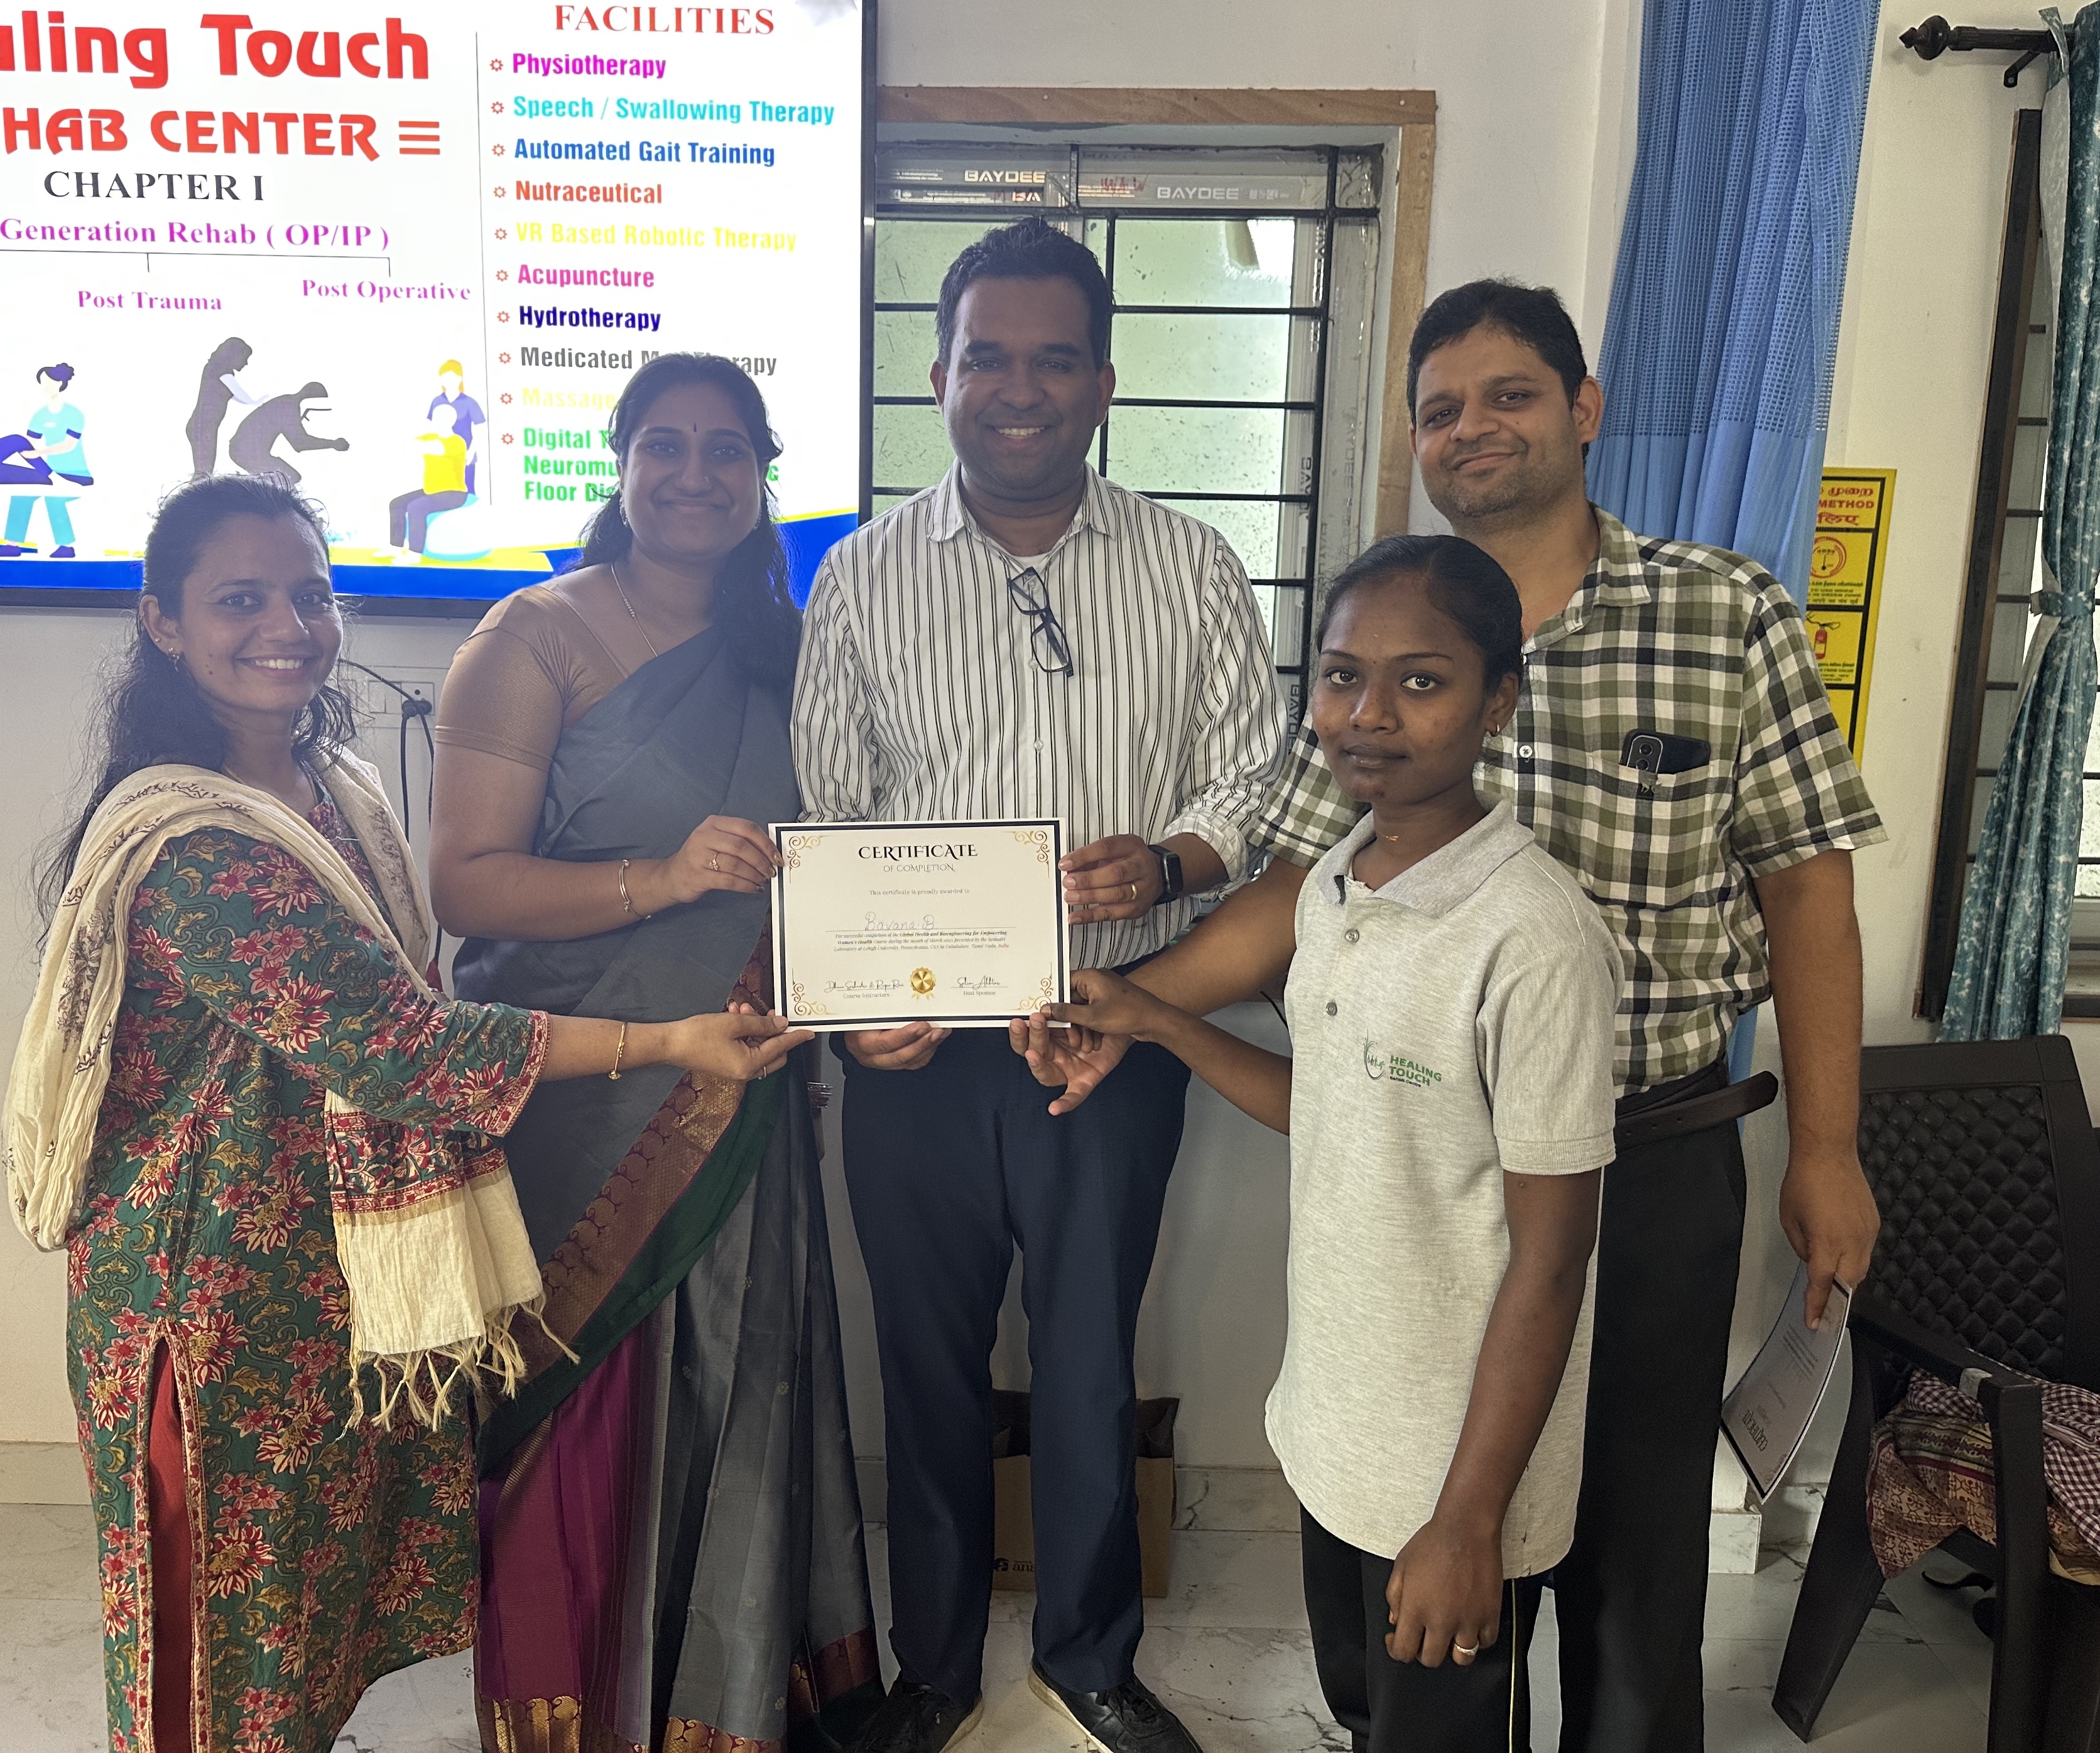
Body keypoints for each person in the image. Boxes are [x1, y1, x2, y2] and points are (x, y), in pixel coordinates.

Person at [1021, 279, 1886, 1753]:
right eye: (1439, 409)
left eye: (1509, 396)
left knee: (1627, 1543)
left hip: (1644, 1152)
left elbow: (1807, 894)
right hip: (1417, 1155)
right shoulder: (1378, 636)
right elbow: (1294, 884)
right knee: (1418, 1524)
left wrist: (1830, 1148)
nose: (1471, 429)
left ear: (1582, 411)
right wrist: (1134, 1004)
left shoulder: (1719, 612)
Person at [6, 472, 807, 1753]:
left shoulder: (330, 787)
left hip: (328, 1286)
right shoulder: (194, 842)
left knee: (307, 1627)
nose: (289, 625)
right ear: (161, 622)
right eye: (240, 600)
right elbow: (402, 1048)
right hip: (211, 1306)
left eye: (311, 595)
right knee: (218, 1649)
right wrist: (665, 1041)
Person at [794, 216, 1284, 1753]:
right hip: (919, 1055)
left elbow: (1257, 775)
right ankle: (934, 1667)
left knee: (1086, 1353)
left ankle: (1087, 1655)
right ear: (937, 374)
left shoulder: (1192, 565)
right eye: (989, 357)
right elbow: (829, 805)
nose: (1021, 387)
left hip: (1116, 1032)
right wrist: (868, 1006)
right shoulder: (864, 574)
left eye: (1054, 357)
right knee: (924, 1364)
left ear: (1105, 381)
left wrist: (1178, 864)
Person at [1043, 535, 1618, 1753]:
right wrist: (1153, 1020)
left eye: (1421, 681)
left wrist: (1468, 1520)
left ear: (1497, 699)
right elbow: (1338, 1107)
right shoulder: (1336, 884)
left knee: (1446, 1734)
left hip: (1459, 1473)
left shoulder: (1531, 935)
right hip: (1341, 1431)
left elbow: (1553, 1256)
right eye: (1343, 676)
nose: (1370, 715)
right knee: (1366, 1714)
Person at [431, 353, 883, 1753]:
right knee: (589, 1395)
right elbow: (466, 888)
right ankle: (573, 1708)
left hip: (740, 1074)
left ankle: (726, 1704)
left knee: (739, 1379)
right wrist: (663, 879)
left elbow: (840, 861)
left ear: (763, 478)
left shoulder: (792, 648)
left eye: (729, 451)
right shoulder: (533, 639)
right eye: (667, 447)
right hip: (579, 1087)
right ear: (620, 467)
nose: (698, 475)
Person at [7, 361, 92, 558]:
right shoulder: (40, 415)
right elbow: (29, 442)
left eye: (49, 382)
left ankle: (66, 547)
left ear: (60, 383)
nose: (45, 387)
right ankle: (12, 546)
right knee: (21, 496)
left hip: (75, 473)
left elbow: (69, 444)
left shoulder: (74, 414)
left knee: (55, 498)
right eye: (42, 382)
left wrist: (39, 453)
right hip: (49, 472)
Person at [389, 400, 472, 561]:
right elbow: (408, 444)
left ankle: (414, 554)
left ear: (451, 420)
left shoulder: (457, 442)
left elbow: (434, 448)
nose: (437, 420)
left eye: (442, 417)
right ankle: (396, 548)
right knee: (396, 504)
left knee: (416, 508)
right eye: (436, 417)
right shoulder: (429, 437)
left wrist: (418, 443)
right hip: (431, 490)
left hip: (454, 493)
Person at [229, 382, 351, 487]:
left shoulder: (286, 403)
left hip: (246, 450)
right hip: (247, 451)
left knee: (286, 477)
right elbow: (300, 443)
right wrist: (333, 444)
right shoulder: (288, 406)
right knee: (289, 477)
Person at [185, 337, 261, 477]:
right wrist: (256, 402)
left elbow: (234, 394)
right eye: (245, 358)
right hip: (203, 427)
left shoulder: (219, 370)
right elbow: (237, 392)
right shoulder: (219, 370)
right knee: (204, 473)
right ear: (234, 355)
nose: (246, 363)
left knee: (204, 472)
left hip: (204, 427)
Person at [428, 358, 486, 491]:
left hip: (465, 455)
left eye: (452, 376)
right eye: (444, 377)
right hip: (443, 455)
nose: (448, 380)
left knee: (467, 491)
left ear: (460, 378)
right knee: (442, 493)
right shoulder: (437, 401)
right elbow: (431, 427)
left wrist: (472, 451)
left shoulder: (470, 403)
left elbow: (481, 429)